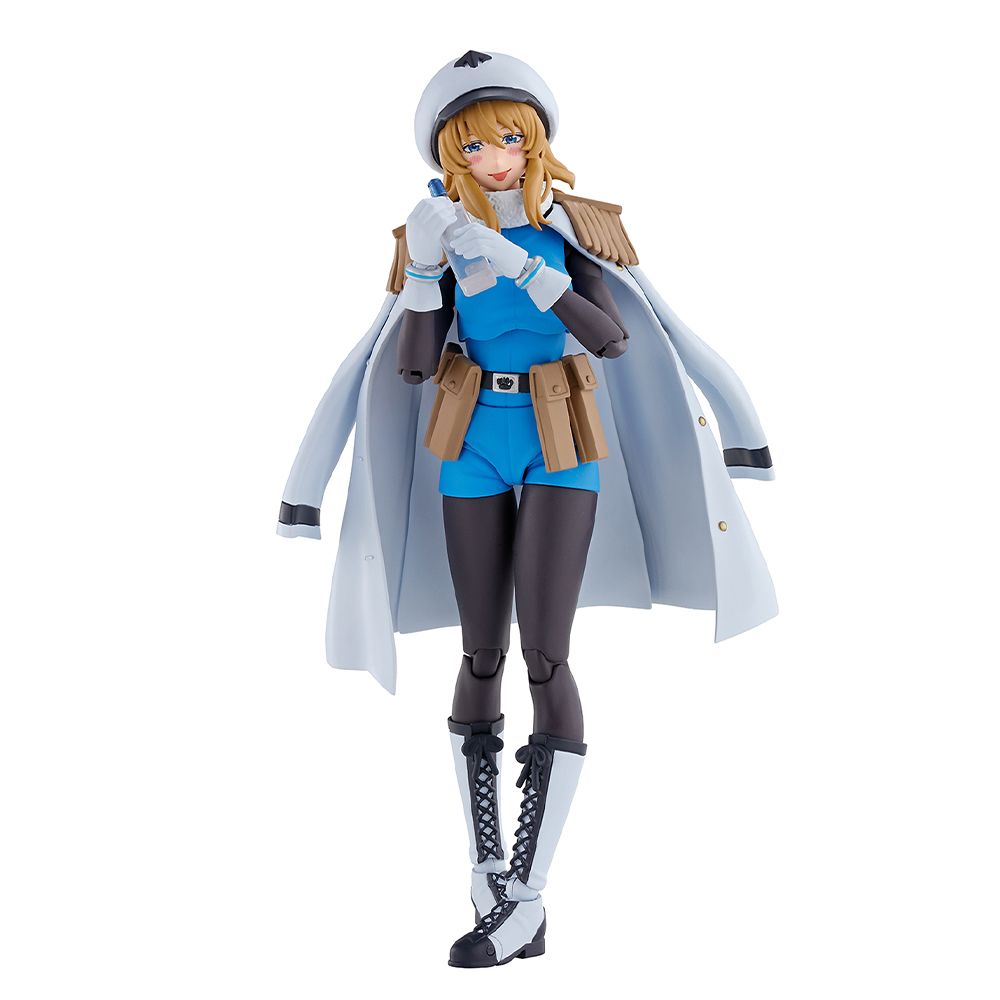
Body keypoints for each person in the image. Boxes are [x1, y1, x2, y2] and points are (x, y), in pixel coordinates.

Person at [277, 51, 777, 968]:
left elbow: (615, 336)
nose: (496, 157)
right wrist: (427, 272)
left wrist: (524, 267)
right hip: (470, 433)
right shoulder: (431, 234)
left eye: (510, 139)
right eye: (474, 146)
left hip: (561, 437)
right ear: (450, 156)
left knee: (547, 655)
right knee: (481, 653)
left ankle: (532, 894)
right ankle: (486, 876)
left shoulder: (572, 227)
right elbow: (411, 365)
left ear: (535, 141)